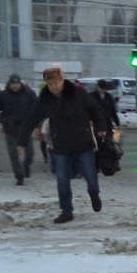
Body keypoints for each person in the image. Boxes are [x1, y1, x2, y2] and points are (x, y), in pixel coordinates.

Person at [18, 67, 107, 224]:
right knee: (62, 181)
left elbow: (94, 108)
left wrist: (101, 127)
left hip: (82, 143)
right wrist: (22, 141)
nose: (53, 86)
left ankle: (94, 194)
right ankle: (67, 211)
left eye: (56, 82)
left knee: (90, 177)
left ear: (62, 80)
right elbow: (31, 119)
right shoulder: (45, 99)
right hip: (61, 145)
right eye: (50, 83)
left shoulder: (77, 93)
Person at [0, 74, 37, 185]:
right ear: (9, 84)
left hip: (25, 128)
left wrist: (32, 121)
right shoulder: (3, 95)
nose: (15, 86)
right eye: (13, 84)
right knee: (13, 154)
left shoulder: (29, 94)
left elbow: (36, 108)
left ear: (20, 83)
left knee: (30, 152)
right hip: (10, 128)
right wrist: (3, 120)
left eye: (17, 84)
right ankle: (19, 176)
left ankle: (26, 165)